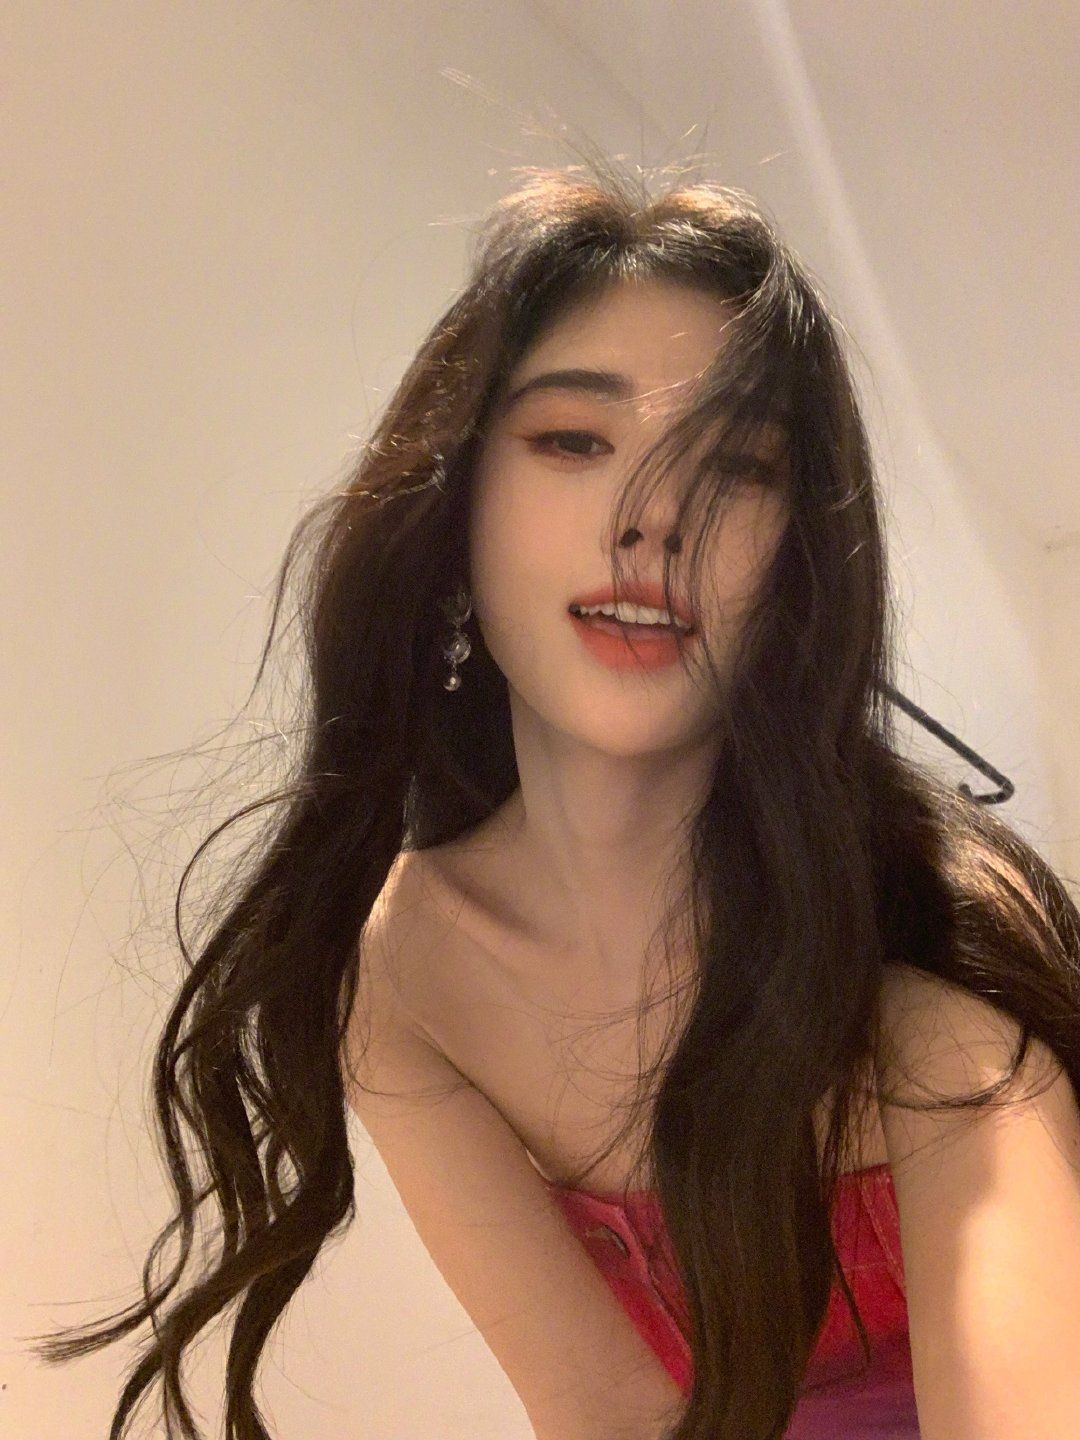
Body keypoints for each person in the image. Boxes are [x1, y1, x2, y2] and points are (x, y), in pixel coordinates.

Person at [30, 154, 1080, 1440]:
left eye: (736, 467)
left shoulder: (944, 1039)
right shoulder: (407, 975)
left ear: (798, 567)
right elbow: (601, 1410)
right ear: (457, 504)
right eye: (573, 440)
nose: (653, 519)